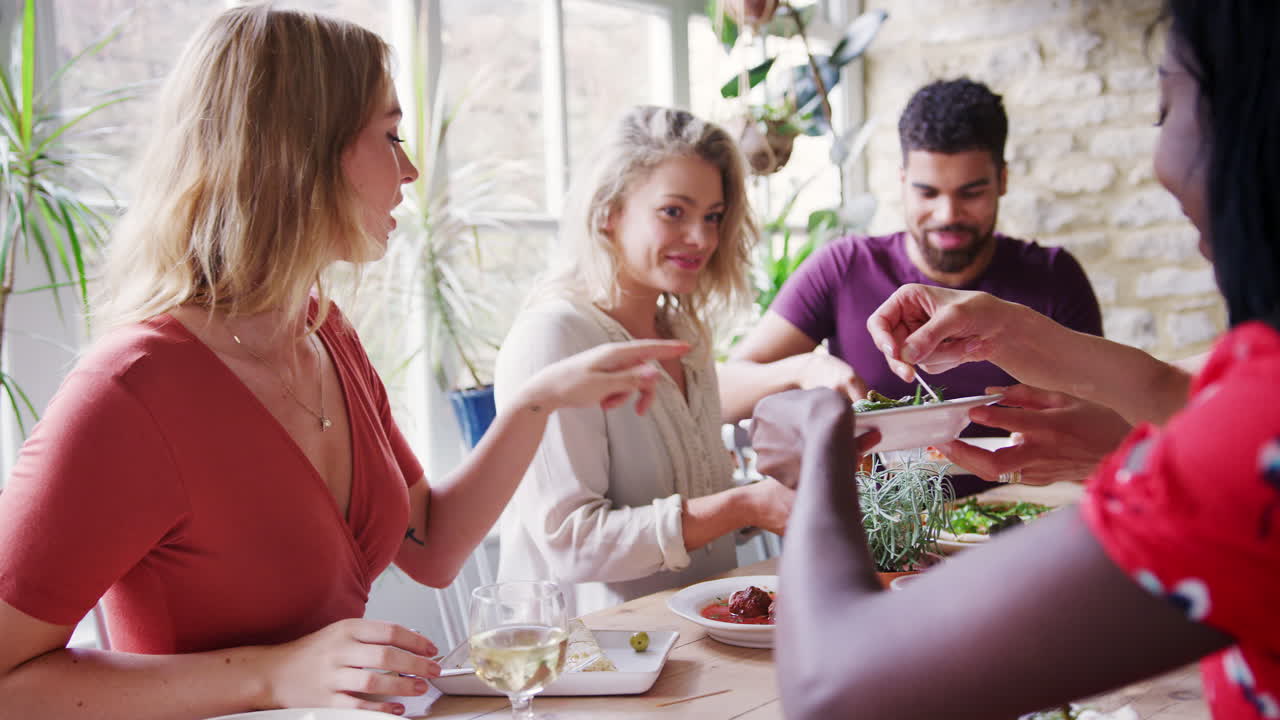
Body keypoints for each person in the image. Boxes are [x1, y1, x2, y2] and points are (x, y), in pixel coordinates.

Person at [0, 7, 688, 719]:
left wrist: (538, 403)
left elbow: (431, 545)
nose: (412, 169)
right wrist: (270, 676)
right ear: (299, 152)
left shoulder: (327, 338)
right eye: (390, 137)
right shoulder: (129, 393)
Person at [756, 2, 1279, 717]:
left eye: (1165, 109)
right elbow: (1183, 395)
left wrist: (824, 447)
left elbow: (830, 686)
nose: (1159, 165)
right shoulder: (1256, 384)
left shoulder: (1257, 431)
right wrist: (1077, 387)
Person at [721, 78, 1104, 492]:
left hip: (1017, 522)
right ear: (902, 180)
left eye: (971, 193)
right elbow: (720, 395)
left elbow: (1103, 419)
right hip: (876, 533)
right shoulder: (844, 267)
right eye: (927, 192)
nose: (947, 214)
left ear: (1003, 181)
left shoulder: (1055, 278)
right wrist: (804, 368)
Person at [494, 106, 795, 616]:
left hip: (697, 640)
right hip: (587, 664)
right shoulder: (553, 336)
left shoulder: (683, 335)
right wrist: (745, 505)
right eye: (673, 211)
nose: (701, 238)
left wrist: (778, 486)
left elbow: (694, 501)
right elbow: (572, 542)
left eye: (713, 217)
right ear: (609, 211)